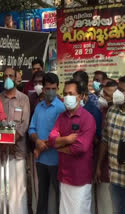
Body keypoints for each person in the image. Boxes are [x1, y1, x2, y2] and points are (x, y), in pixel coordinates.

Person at [48, 79, 96, 214]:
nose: (67, 97)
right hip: (64, 176)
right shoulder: (61, 117)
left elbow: (80, 148)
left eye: (71, 93)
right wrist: (67, 139)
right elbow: (51, 139)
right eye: (65, 93)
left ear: (80, 96)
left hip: (80, 178)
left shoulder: (87, 118)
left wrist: (60, 146)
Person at [28, 73, 65, 214]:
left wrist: (42, 147)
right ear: (43, 89)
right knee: (42, 195)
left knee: (59, 196)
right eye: (48, 88)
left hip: (56, 160)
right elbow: (31, 129)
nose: (51, 92)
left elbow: (60, 136)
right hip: (41, 161)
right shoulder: (38, 107)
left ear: (58, 88)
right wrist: (37, 141)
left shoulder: (61, 108)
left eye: (53, 88)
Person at [96, 75, 125, 214]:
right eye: (117, 90)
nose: (117, 94)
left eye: (121, 90)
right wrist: (98, 165)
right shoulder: (112, 110)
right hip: (115, 176)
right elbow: (105, 139)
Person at [0, 67, 30, 214]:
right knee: (4, 189)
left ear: (16, 78)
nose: (7, 78)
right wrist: (6, 142)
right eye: (5, 76)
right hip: (2, 152)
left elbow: (24, 124)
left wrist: (12, 141)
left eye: (11, 76)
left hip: (18, 152)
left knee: (19, 189)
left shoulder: (24, 99)